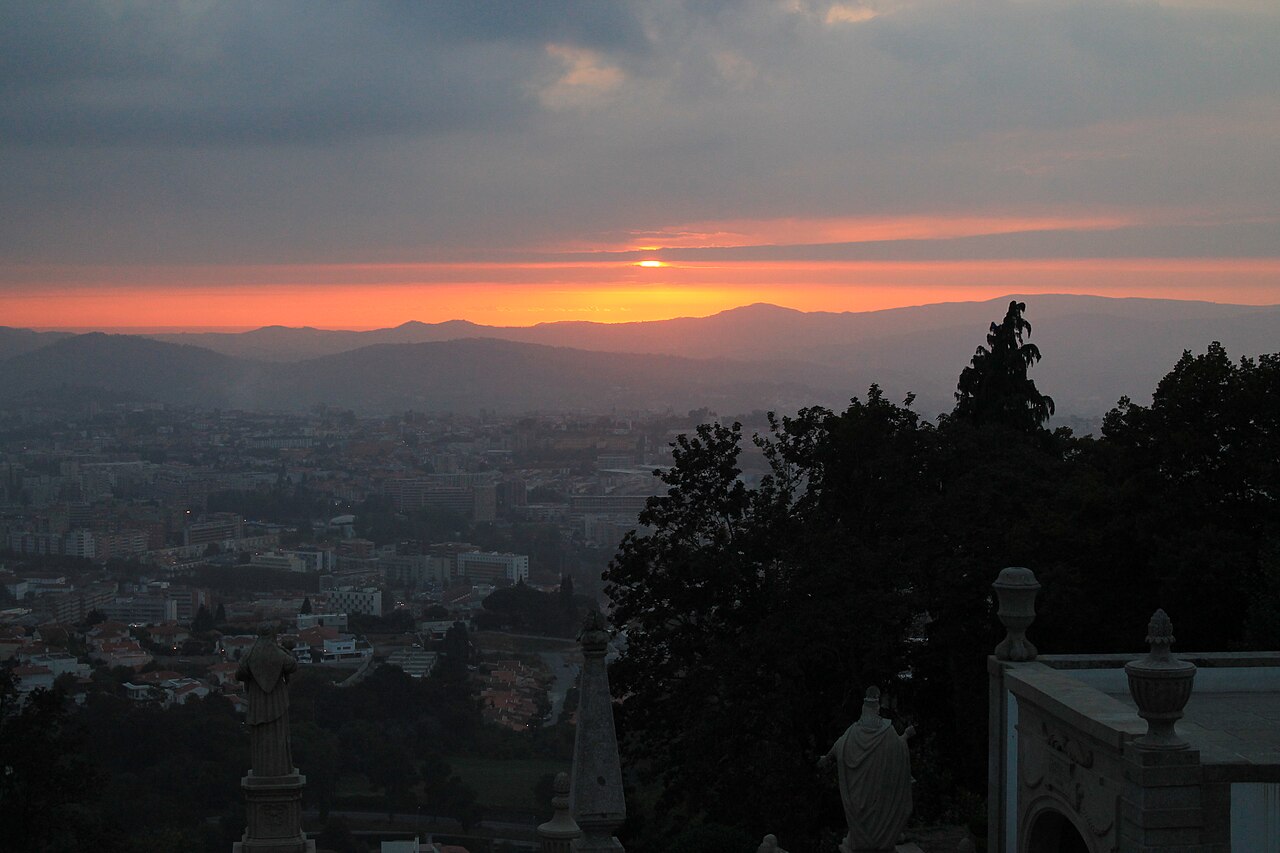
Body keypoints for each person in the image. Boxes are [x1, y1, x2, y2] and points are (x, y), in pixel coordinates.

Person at [818, 687, 914, 853]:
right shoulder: (887, 732)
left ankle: (869, 840)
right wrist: (906, 735)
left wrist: (825, 759)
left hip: (860, 796)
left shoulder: (852, 733)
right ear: (877, 711)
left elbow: (837, 748)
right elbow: (899, 749)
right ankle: (880, 839)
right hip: (878, 797)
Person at [236, 622, 299, 777]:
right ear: (273, 635)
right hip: (277, 699)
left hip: (257, 701)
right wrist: (284, 650)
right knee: (278, 733)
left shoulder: (250, 654)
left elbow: (239, 674)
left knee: (260, 735)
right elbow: (292, 666)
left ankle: (262, 768)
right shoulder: (278, 653)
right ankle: (280, 768)